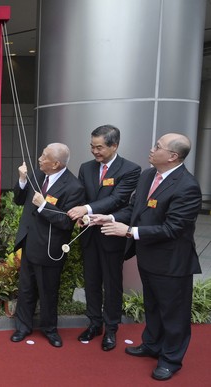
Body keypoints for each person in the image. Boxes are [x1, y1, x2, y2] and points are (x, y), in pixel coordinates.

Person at [91, 133, 202, 381]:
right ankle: (151, 344)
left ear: (173, 156)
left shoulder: (187, 186)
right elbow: (135, 209)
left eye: (158, 147)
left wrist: (129, 231)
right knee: (152, 305)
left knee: (174, 314)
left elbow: (173, 229)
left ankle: (171, 359)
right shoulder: (148, 176)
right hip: (148, 257)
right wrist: (109, 218)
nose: (151, 150)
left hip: (172, 263)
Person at [67, 125, 141, 351]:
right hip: (89, 235)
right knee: (91, 282)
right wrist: (80, 214)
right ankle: (94, 323)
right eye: (92, 146)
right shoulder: (86, 168)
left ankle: (111, 328)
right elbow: (79, 196)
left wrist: (86, 209)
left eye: (99, 147)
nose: (94, 151)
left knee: (112, 283)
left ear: (114, 145)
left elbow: (118, 199)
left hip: (111, 235)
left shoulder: (130, 169)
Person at [10, 143, 85, 347]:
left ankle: (50, 329)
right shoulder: (38, 174)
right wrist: (23, 180)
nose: (40, 159)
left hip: (50, 247)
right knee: (26, 288)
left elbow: (66, 222)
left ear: (56, 163)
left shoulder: (73, 187)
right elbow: (19, 200)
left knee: (48, 291)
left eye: (44, 156)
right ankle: (23, 327)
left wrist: (44, 205)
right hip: (30, 240)